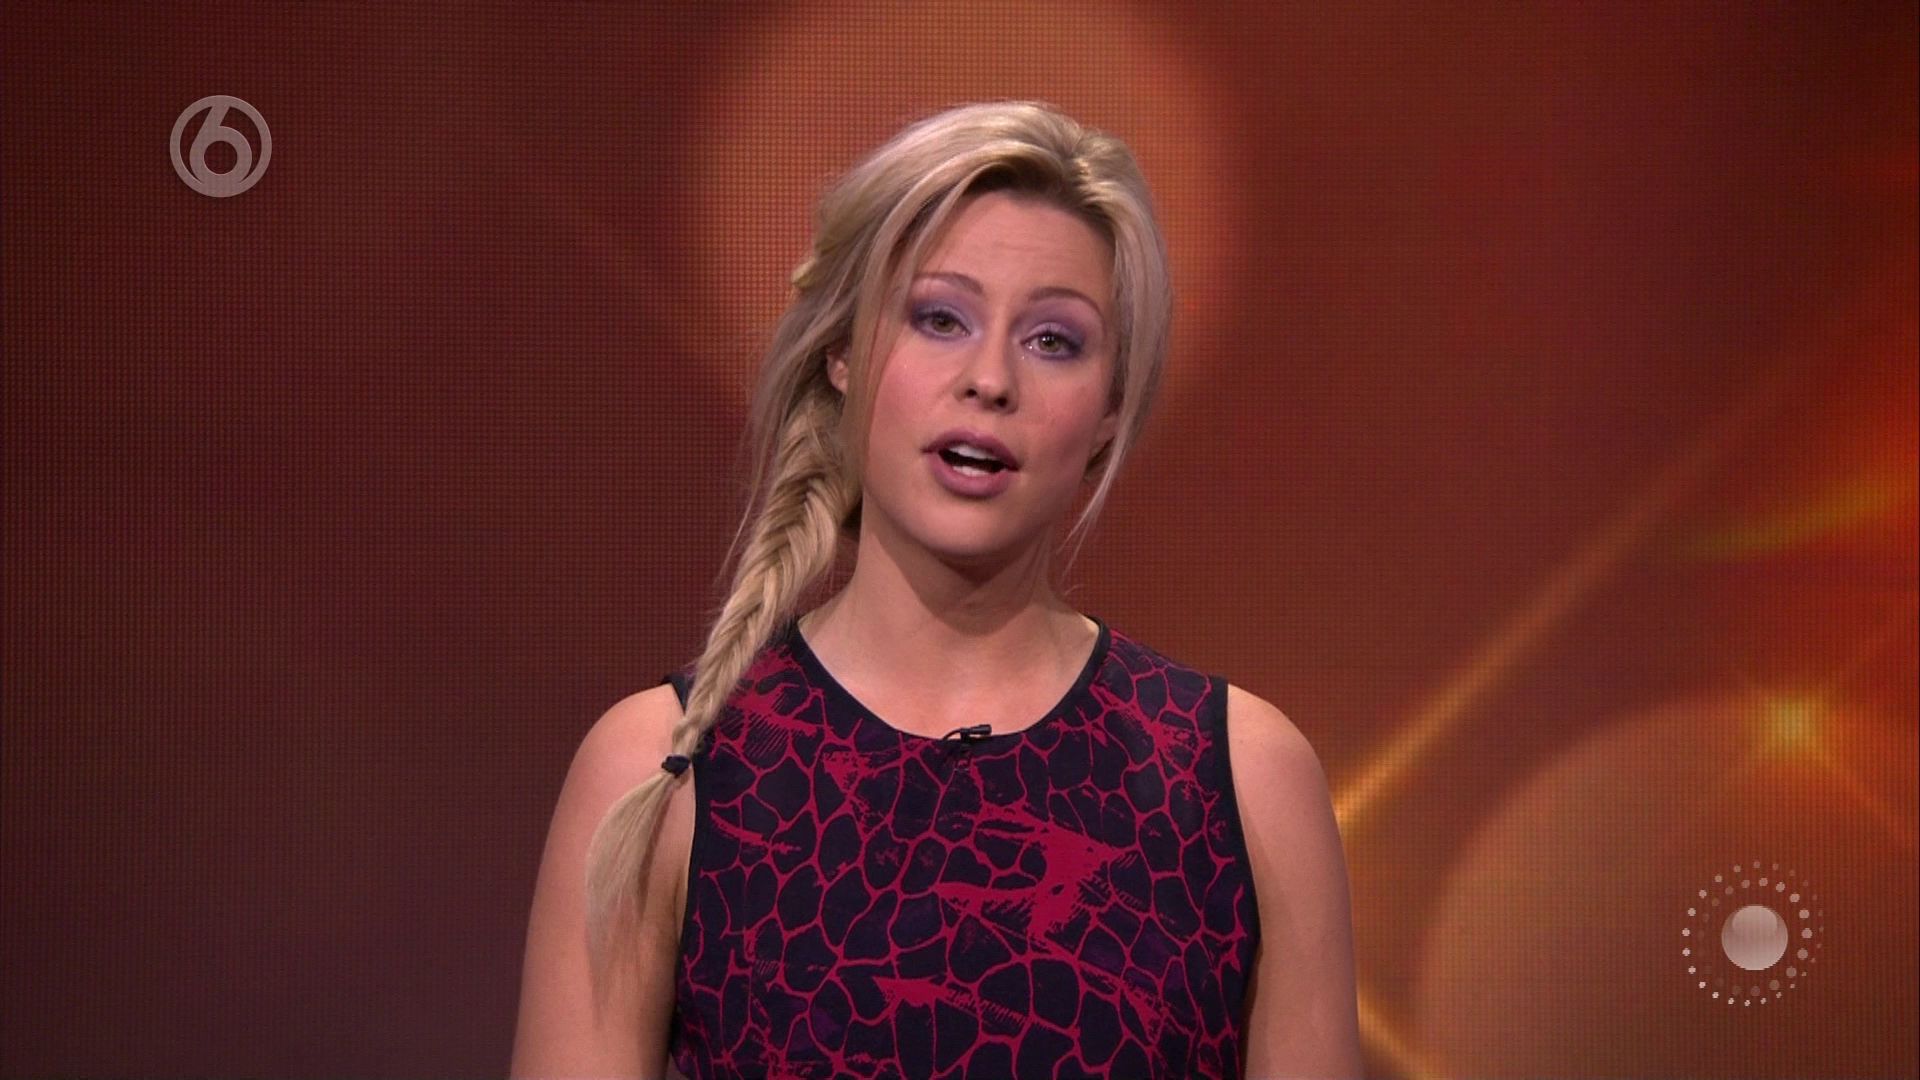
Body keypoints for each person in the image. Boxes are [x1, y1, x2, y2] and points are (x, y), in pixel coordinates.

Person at [512, 101, 1361, 1079]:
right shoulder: (663, 773)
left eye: (1054, 340)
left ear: (1110, 408)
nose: (990, 379)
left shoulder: (1237, 779)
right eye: (940, 318)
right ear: (841, 352)